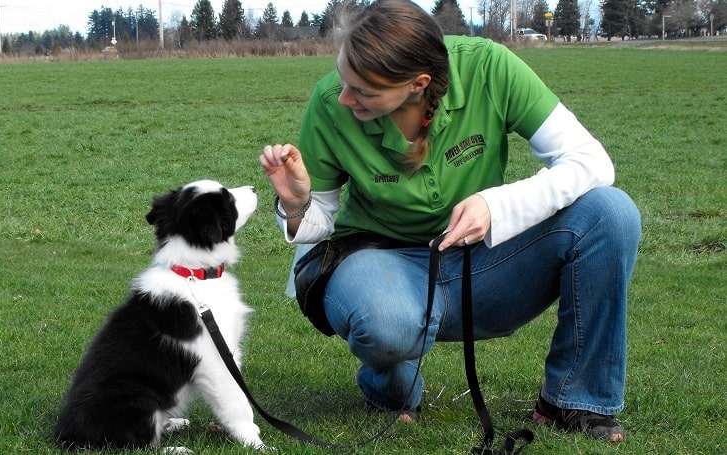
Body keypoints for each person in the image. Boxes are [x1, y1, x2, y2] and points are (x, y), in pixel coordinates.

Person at [259, 0, 640, 443]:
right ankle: (391, 389)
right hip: (379, 261)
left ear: (418, 84)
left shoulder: (490, 68)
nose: (344, 97)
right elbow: (320, 222)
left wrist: (497, 207)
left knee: (610, 214)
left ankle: (574, 401)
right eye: (344, 79)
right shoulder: (330, 105)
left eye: (362, 90)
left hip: (484, 260)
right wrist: (297, 205)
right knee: (387, 322)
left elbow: (590, 161)